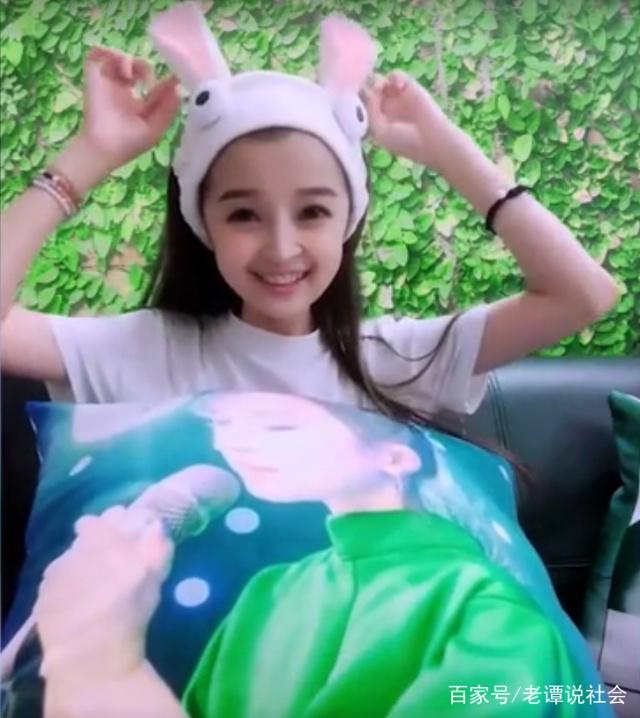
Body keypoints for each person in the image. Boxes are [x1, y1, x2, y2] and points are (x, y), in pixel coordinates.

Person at [0, 0, 618, 712]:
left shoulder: (395, 358)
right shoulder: (146, 351)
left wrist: (450, 150)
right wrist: (85, 158)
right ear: (204, 223)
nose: (283, 246)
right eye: (243, 213)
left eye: (314, 210)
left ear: (350, 219)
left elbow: (582, 295)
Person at [33, 391, 611, 717]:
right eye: (223, 422)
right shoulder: (270, 593)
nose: (235, 441)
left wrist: (100, 660)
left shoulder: (482, 605)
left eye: (277, 426)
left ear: (396, 458)